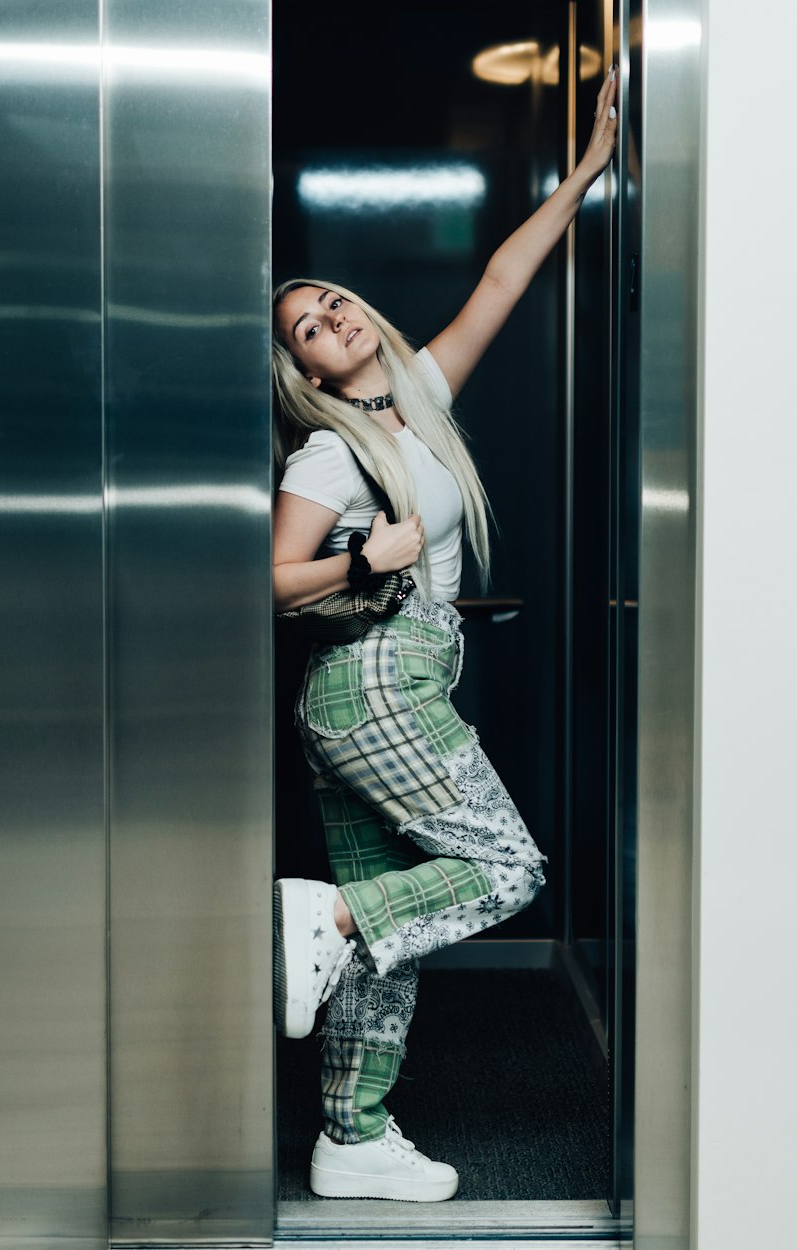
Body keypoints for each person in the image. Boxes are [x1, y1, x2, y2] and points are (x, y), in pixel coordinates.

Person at [270, 68, 620, 1202]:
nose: (328, 323)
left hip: (369, 694)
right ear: (305, 372)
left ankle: (351, 1133)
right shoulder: (327, 451)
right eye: (305, 330)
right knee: (502, 866)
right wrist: (365, 557)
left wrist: (584, 173)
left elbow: (503, 275)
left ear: (363, 317)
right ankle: (316, 913)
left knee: (392, 946)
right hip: (368, 680)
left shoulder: (419, 393)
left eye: (331, 304)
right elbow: (270, 580)